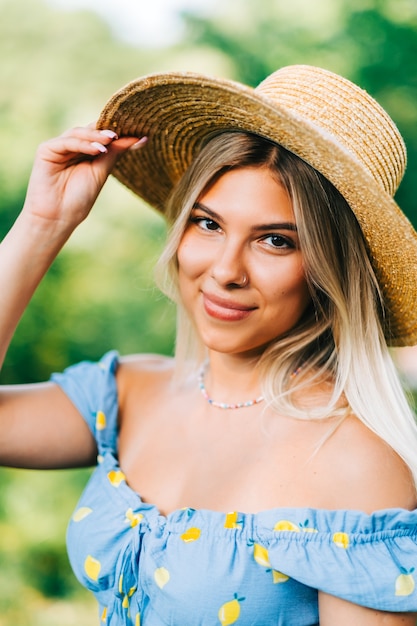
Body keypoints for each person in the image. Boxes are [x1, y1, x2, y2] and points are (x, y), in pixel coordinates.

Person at [1, 64, 417, 626]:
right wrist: (43, 223)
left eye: (275, 241)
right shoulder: (126, 393)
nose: (225, 270)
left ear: (327, 271)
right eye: (208, 224)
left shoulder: (356, 462)